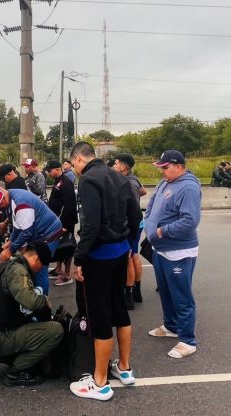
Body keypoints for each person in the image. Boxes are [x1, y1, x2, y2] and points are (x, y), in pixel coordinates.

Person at [68, 141, 141, 401]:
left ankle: (99, 382)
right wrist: (131, 246)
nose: (75, 169)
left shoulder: (88, 180)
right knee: (119, 308)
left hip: (99, 255)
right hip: (120, 251)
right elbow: (135, 216)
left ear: (78, 159)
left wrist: (79, 258)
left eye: (74, 164)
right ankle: (124, 367)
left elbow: (90, 225)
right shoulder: (118, 175)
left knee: (100, 315)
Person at [0, 242, 63, 387]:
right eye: (42, 266)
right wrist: (44, 301)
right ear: (36, 259)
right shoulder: (18, 271)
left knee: (26, 324)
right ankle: (16, 372)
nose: (40, 270)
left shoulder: (4, 264)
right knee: (56, 330)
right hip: (0, 336)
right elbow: (31, 302)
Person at [145, 150, 201, 360]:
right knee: (166, 292)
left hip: (179, 251)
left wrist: (162, 231)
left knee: (181, 296)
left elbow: (190, 221)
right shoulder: (165, 183)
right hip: (160, 249)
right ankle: (171, 326)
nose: (162, 171)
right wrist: (148, 223)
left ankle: (187, 340)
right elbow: (152, 205)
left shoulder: (188, 187)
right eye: (160, 167)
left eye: (165, 167)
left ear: (179, 166)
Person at [0, 185, 63, 294]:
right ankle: (33, 295)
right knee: (32, 267)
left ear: (3, 199)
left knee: (39, 267)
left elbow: (26, 233)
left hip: (49, 233)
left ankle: (42, 303)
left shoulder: (21, 204)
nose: (0, 210)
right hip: (39, 233)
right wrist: (10, 241)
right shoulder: (10, 196)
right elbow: (17, 225)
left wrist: (10, 250)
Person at [113, 153, 147, 309]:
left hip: (130, 225)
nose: (114, 165)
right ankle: (136, 292)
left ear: (123, 167)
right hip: (135, 223)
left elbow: (130, 208)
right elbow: (143, 191)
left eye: (116, 163)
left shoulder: (129, 183)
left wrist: (124, 228)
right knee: (134, 255)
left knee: (129, 258)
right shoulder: (134, 180)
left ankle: (129, 294)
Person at [44, 160, 78, 286]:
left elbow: (69, 205)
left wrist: (64, 225)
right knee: (59, 244)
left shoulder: (66, 182)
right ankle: (58, 269)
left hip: (65, 222)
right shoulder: (59, 181)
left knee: (67, 246)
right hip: (57, 220)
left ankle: (67, 274)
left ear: (57, 169)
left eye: (50, 170)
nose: (48, 173)